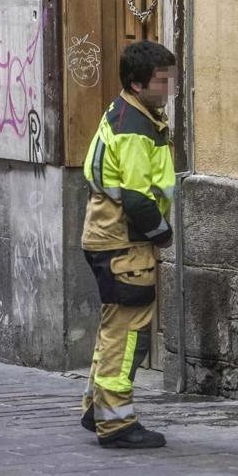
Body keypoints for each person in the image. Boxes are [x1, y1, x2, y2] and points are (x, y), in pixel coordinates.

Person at [79, 40, 176, 449]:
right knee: (129, 332)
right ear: (137, 84)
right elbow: (137, 196)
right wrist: (162, 232)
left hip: (108, 236)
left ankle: (95, 407)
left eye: (171, 77)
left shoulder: (125, 112)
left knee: (113, 326)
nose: (168, 86)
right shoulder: (135, 127)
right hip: (125, 242)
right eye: (161, 80)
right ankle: (116, 422)